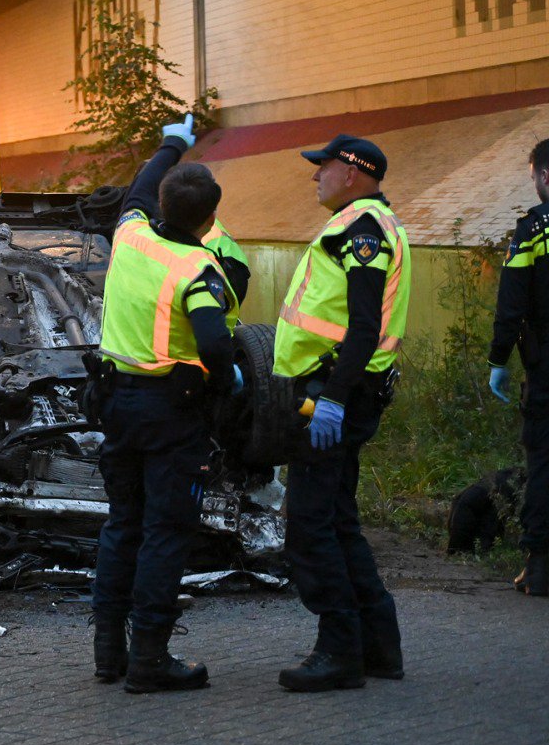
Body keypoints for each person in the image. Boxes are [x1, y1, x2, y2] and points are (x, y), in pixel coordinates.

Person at [91, 115, 239, 694]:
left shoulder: (129, 233)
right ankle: (150, 658)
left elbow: (138, 186)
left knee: (122, 523)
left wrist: (174, 142)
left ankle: (109, 653)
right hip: (170, 414)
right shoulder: (200, 266)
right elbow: (213, 342)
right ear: (208, 221)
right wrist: (227, 383)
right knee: (166, 530)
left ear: (158, 204)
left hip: (116, 405)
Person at [273, 134, 410, 691]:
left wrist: (330, 397)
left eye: (321, 167)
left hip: (331, 396)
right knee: (337, 521)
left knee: (309, 529)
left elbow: (363, 326)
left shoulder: (363, 230)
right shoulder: (368, 225)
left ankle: (339, 652)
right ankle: (378, 646)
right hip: (341, 391)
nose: (315, 176)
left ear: (351, 173)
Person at [486, 137, 549, 596]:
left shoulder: (533, 231)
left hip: (546, 371)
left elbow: (511, 306)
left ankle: (541, 567)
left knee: (544, 462)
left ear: (544, 176)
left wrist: (498, 361)